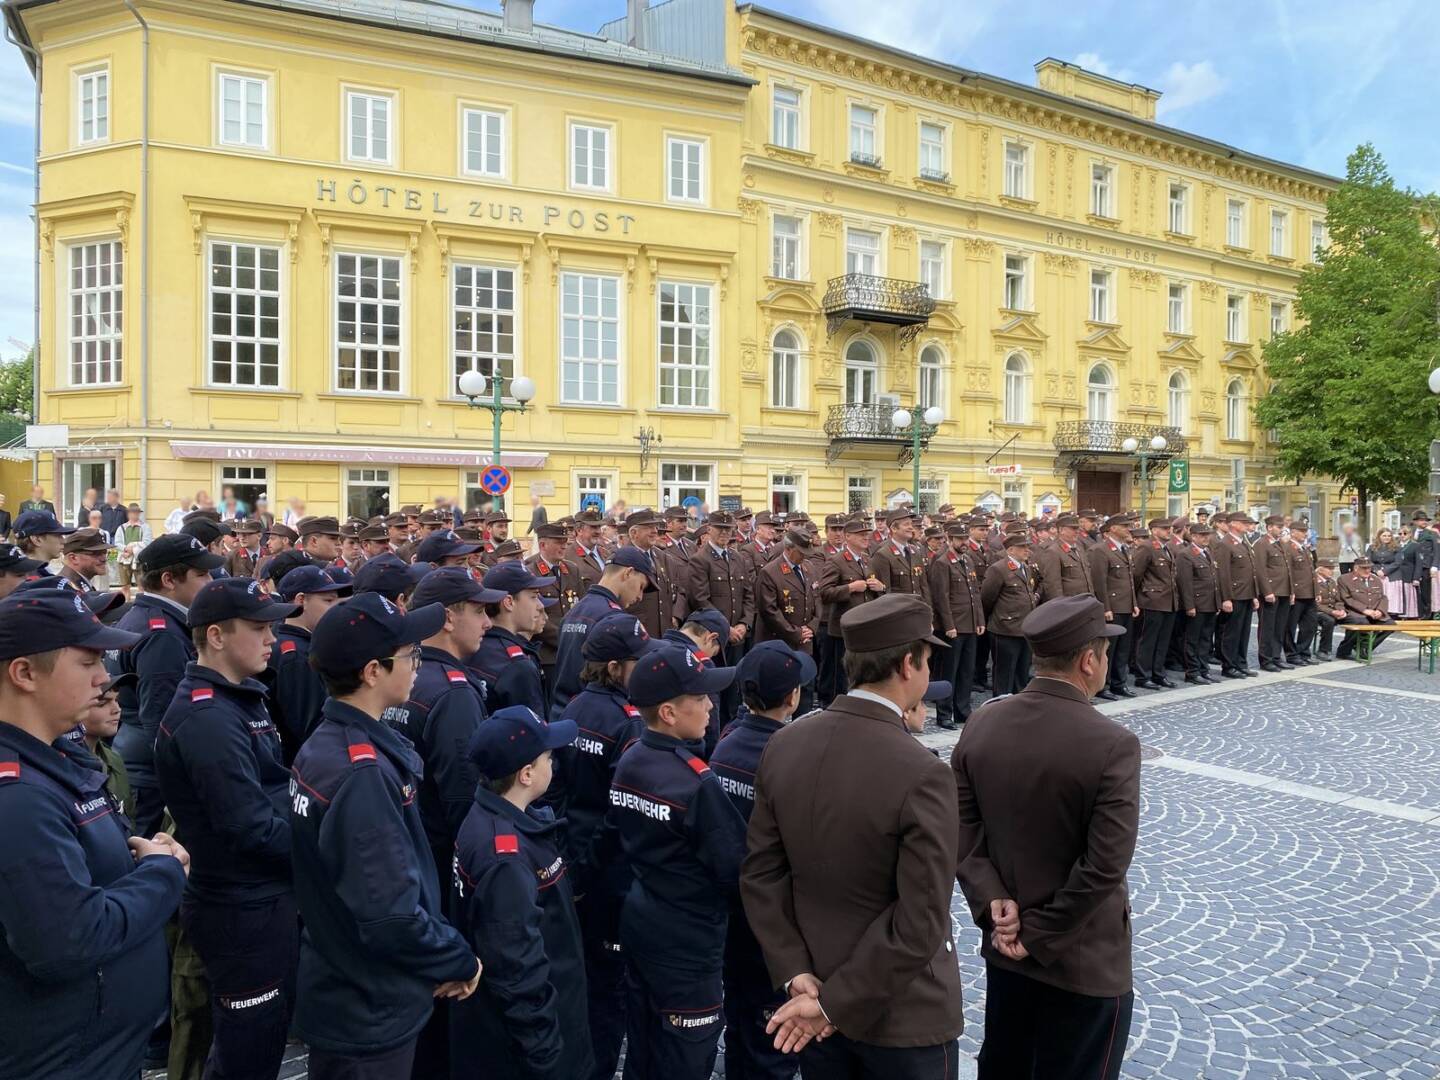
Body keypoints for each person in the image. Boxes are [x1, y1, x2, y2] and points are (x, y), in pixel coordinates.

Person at [742, 593, 963, 1077]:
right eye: (927, 661)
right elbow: (920, 919)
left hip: (812, 991)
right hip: (900, 1016)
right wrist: (832, 1005)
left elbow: (761, 874)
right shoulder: (922, 771)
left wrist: (795, 971)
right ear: (909, 665)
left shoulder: (785, 743)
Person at [288, 592, 482, 1078]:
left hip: (347, 982)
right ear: (373, 671)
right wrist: (458, 957)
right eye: (410, 654)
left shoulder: (328, 741)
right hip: (367, 1003)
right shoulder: (362, 774)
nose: (418, 663)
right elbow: (388, 915)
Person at [0, 591, 190, 1080]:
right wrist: (162, 873)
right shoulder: (18, 796)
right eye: (87, 662)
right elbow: (70, 940)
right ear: (24, 674)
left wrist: (142, 861)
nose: (104, 677)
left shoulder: (55, 760)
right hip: (64, 1057)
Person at [951, 593, 1138, 1080]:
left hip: (1005, 947)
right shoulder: (1111, 743)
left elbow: (962, 828)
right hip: (1081, 961)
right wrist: (1040, 933)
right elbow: (1105, 864)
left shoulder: (984, 720)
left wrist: (993, 901)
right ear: (1089, 660)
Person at [153, 577, 300, 1080]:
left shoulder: (239, 697)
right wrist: (325, 848)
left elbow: (273, 790)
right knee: (246, 1052)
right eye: (258, 628)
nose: (272, 639)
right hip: (241, 906)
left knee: (261, 1041)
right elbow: (248, 826)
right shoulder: (208, 716)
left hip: (262, 898)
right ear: (216, 636)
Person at [605, 645, 742, 1080]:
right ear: (668, 712)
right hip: (688, 942)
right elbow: (736, 870)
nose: (709, 705)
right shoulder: (695, 782)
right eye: (699, 698)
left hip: (643, 919)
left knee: (644, 1044)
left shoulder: (631, 759)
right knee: (685, 1053)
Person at [450, 705, 591, 1080]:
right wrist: (546, 1054)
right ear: (526, 774)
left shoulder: (487, 816)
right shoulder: (506, 858)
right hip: (527, 1046)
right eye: (548, 757)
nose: (554, 764)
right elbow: (517, 964)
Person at [709, 640, 815, 1080]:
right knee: (772, 1033)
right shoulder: (792, 755)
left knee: (738, 1013)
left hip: (729, 904)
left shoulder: (725, 743)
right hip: (772, 916)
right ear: (791, 697)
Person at [558, 612, 655, 1080]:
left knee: (581, 977)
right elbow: (620, 814)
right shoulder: (627, 723)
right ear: (616, 667)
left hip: (571, 855)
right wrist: (590, 868)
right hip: (608, 872)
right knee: (609, 989)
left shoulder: (573, 708)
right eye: (637, 660)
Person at [109, 534, 226, 836]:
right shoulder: (163, 634)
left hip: (135, 761)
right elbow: (163, 718)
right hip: (149, 776)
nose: (210, 580)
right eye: (201, 574)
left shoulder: (143, 617)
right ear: (169, 580)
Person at [549, 548, 654, 721]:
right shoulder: (612, 620)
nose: (640, 596)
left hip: (564, 712)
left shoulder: (576, 610)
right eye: (641, 586)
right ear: (628, 573)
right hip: (594, 717)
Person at [264, 565, 353, 761]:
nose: (335, 607)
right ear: (301, 600)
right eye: (328, 601)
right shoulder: (296, 656)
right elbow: (311, 727)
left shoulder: (294, 641)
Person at [471, 561, 554, 719]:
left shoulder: (472, 644)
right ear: (508, 602)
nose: (539, 605)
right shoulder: (517, 666)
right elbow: (531, 734)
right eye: (533, 597)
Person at [815, 517, 884, 705]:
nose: (866, 538)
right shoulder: (836, 561)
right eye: (861, 535)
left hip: (864, 626)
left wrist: (880, 587)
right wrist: (850, 588)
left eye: (867, 534)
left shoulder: (866, 560)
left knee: (860, 672)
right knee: (841, 676)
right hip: (843, 628)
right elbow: (825, 593)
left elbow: (872, 592)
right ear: (848, 537)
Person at [927, 520, 984, 729]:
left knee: (966, 671)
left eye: (964, 538)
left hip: (969, 624)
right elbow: (941, 597)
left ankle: (963, 710)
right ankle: (945, 713)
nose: (963, 542)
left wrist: (979, 619)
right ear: (950, 540)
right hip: (953, 627)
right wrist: (948, 625)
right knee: (949, 671)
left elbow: (974, 593)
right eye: (959, 539)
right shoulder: (942, 562)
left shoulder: (967, 560)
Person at [982, 529, 1038, 697]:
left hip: (1024, 628)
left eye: (1028, 547)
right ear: (1011, 550)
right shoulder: (998, 569)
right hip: (1005, 629)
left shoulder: (1025, 568)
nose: (1027, 550)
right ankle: (1000, 709)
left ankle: (1019, 707)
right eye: (1022, 547)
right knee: (1004, 676)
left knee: (1021, 674)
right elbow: (987, 598)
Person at [1129, 518, 1179, 689]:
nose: (1169, 531)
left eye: (1169, 528)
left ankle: (1158, 673)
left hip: (1168, 601)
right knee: (1148, 640)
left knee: (1163, 640)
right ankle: (1143, 675)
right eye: (1164, 529)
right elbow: (1136, 574)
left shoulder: (1167, 548)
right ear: (1154, 530)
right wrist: (1137, 598)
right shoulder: (1146, 547)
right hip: (1151, 601)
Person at [1175, 522, 1220, 683]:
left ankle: (1203, 668)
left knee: (1206, 639)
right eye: (1202, 535)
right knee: (1192, 640)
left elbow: (1214, 580)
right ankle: (1192, 671)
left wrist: (1218, 602)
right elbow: (1185, 583)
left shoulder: (1207, 552)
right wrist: (1190, 606)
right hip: (1197, 604)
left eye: (1207, 535)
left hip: (1209, 603)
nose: (1206, 538)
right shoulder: (1185, 554)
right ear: (1193, 536)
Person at [1335, 557, 1394, 660]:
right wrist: (1365, 610)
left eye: (1369, 568)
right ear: (1356, 568)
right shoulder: (1344, 579)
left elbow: (1382, 597)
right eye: (1364, 568)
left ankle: (1365, 647)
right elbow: (1347, 599)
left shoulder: (1375, 579)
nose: (1367, 570)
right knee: (1361, 622)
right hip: (1354, 612)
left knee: (1390, 625)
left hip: (1374, 612)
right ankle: (1345, 650)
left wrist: (1380, 611)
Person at [1284, 522, 1319, 664]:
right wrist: (1291, 591)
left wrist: (1316, 590)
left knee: (1310, 625)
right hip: (1297, 593)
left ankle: (1303, 652)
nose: (1305, 534)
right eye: (1302, 531)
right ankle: (1291, 654)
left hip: (1309, 593)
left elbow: (1312, 571)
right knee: (1290, 626)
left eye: (1306, 531)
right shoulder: (1288, 548)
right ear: (1293, 532)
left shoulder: (1305, 548)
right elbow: (1288, 572)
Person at [113, 503, 151, 599]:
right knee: (125, 586)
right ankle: (126, 605)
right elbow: (117, 543)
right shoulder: (122, 527)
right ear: (128, 514)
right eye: (132, 512)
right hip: (123, 559)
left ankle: (141, 606)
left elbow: (147, 542)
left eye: (137, 512)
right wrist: (126, 549)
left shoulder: (145, 527)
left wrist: (133, 550)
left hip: (139, 560)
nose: (134, 514)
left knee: (142, 586)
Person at [1309, 560, 1344, 659]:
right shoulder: (1313, 581)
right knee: (1329, 620)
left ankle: (1347, 648)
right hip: (1317, 612)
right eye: (1329, 569)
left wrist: (1340, 610)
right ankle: (1323, 650)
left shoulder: (1331, 582)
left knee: (1355, 619)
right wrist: (1332, 612)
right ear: (1320, 570)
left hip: (1333, 611)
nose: (1331, 571)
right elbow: (1315, 603)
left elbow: (1338, 599)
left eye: (1332, 569)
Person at [58, 527, 110, 592]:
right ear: (73, 558)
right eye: (97, 553)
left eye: (105, 552)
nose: (104, 559)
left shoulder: (76, 585)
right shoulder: (66, 590)